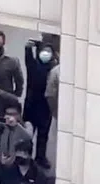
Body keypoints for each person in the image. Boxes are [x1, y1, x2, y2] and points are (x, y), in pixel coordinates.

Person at [24, 40, 57, 168]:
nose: (46, 54)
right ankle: (26, 155)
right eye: (44, 51)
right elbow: (28, 58)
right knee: (28, 133)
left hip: (45, 106)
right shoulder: (33, 65)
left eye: (49, 52)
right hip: (31, 105)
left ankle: (40, 157)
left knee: (43, 135)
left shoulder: (53, 69)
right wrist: (29, 48)